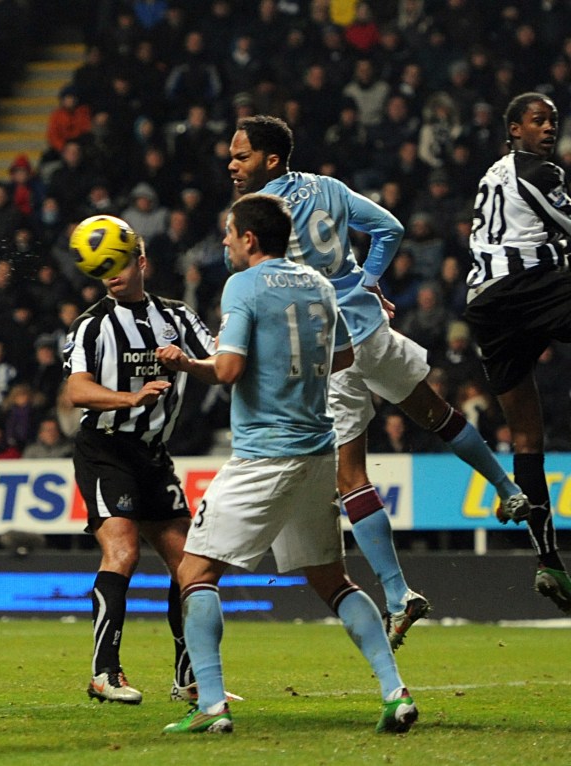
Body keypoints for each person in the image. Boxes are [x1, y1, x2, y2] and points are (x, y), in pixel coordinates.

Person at [229, 115, 531, 648]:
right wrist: (364, 283)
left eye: (241, 156)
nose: (232, 165)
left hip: (332, 348)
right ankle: (508, 489)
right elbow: (389, 229)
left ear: (271, 160)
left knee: (350, 476)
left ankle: (397, 594)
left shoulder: (259, 216)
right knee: (434, 411)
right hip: (371, 327)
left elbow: (271, 283)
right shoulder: (329, 188)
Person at [161, 192, 416, 736]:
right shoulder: (319, 284)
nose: (225, 242)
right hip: (317, 451)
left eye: (230, 234)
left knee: (195, 571)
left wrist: (186, 362)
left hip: (263, 454)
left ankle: (210, 706)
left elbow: (228, 370)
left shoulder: (243, 285)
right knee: (332, 580)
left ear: (249, 239)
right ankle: (395, 692)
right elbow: (345, 356)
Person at [63, 221, 218, 705]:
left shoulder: (177, 316)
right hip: (105, 449)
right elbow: (77, 391)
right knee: (123, 552)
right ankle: (103, 673)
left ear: (141, 262)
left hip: (153, 454)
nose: (111, 273)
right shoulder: (92, 324)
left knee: (190, 566)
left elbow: (221, 363)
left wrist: (187, 365)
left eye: (120, 262)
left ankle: (187, 677)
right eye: (103, 266)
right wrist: (129, 398)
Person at [464, 92, 571, 614]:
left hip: (487, 303)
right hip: (527, 284)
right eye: (537, 120)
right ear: (513, 128)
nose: (548, 127)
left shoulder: (495, 174)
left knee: (527, 434)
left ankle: (547, 560)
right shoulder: (540, 171)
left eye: (552, 120)